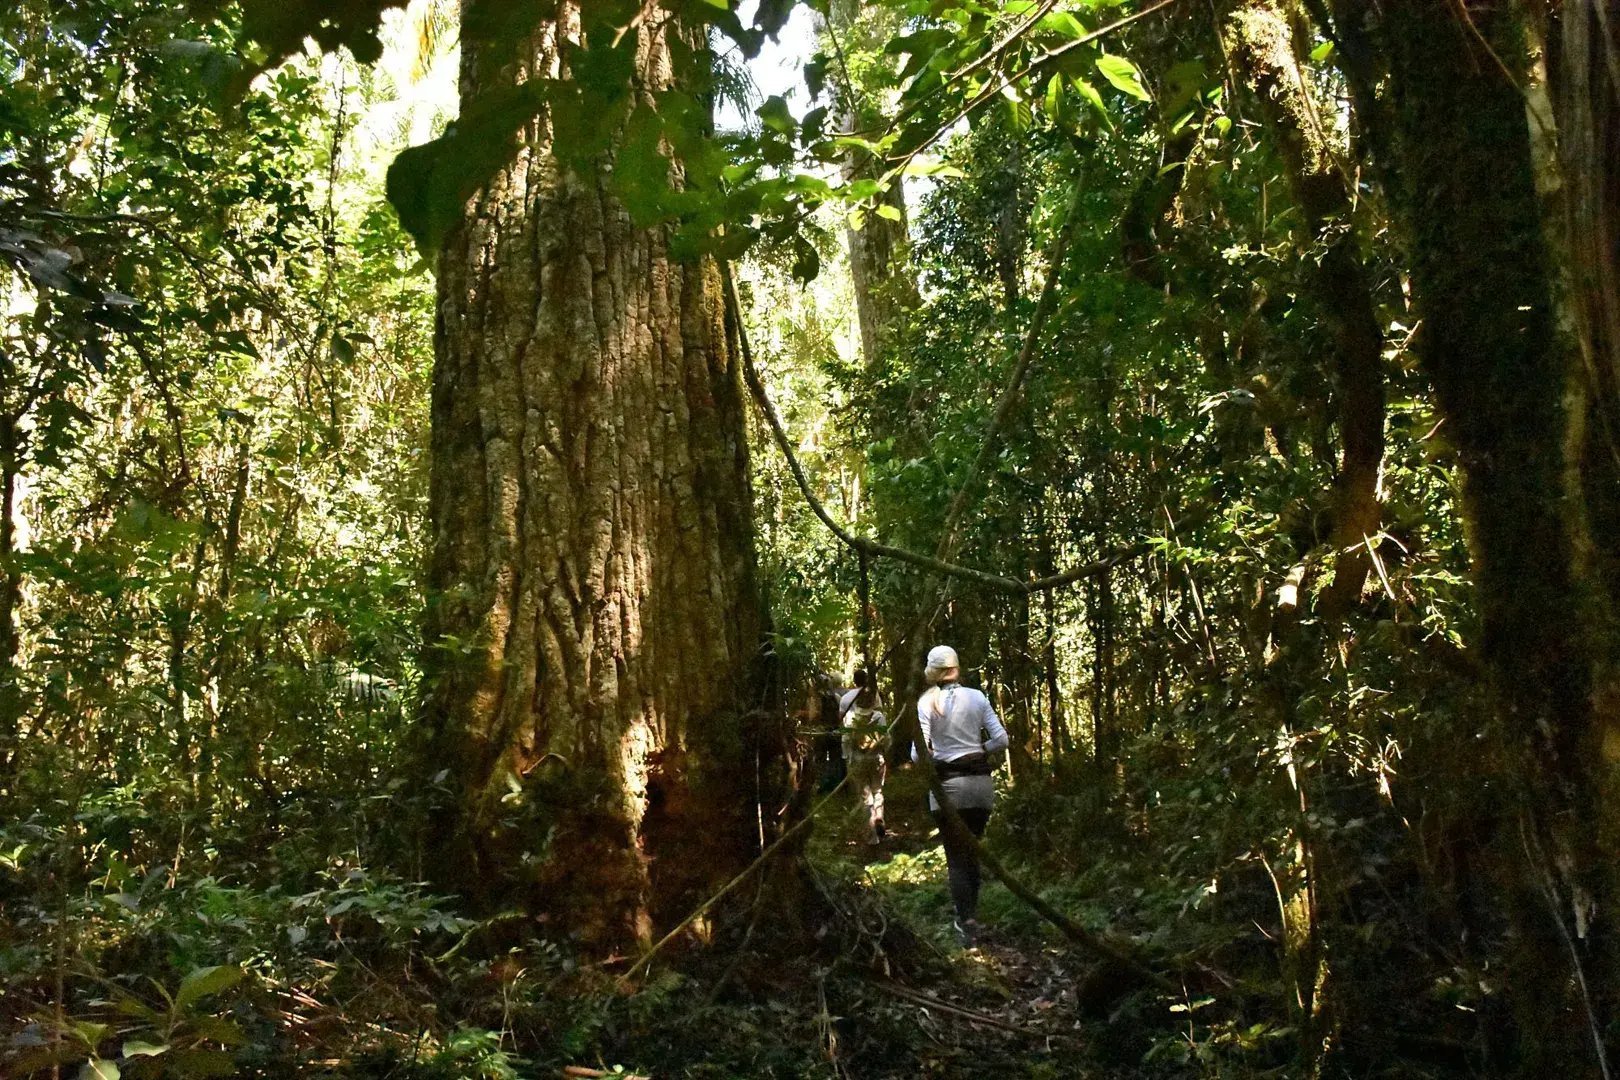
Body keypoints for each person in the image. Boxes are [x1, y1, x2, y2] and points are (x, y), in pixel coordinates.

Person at [914, 644, 1008, 946]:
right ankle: (972, 916)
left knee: (955, 856)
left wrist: (940, 756)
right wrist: (978, 751)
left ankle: (965, 921)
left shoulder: (926, 702)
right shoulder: (977, 697)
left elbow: (918, 755)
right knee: (972, 850)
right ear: (957, 668)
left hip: (948, 790)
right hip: (980, 785)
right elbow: (1001, 739)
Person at [841, 680, 889, 844]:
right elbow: (885, 738)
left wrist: (847, 758)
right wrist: (885, 752)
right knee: (878, 791)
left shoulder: (850, 717)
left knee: (865, 796)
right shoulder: (879, 717)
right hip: (876, 758)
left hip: (857, 759)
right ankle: (879, 817)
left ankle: (872, 835)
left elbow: (845, 739)